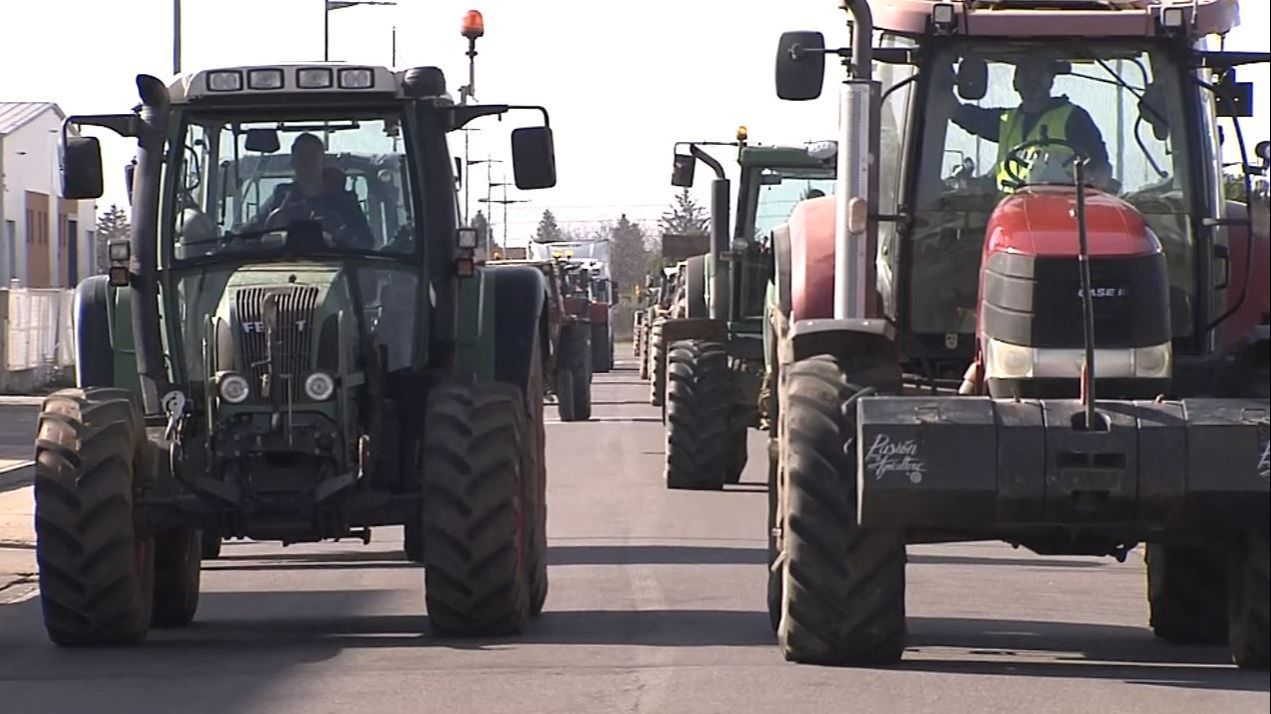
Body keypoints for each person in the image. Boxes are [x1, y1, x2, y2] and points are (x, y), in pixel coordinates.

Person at [949, 57, 1112, 191]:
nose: (1032, 81)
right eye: (1026, 74)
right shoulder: (1006, 121)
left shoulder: (1074, 119)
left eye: (1039, 74)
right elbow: (962, 114)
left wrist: (1091, 186)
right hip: (1008, 217)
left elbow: (1100, 166)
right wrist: (942, 80)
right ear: (1015, 83)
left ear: (1051, 81)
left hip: (1060, 217)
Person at [243, 132, 374, 248]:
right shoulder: (281, 196)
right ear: (293, 162)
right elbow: (250, 233)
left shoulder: (345, 202)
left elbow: (365, 242)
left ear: (322, 161)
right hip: (282, 267)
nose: (308, 163)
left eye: (313, 156)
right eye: (302, 157)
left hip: (335, 267)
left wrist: (339, 233)